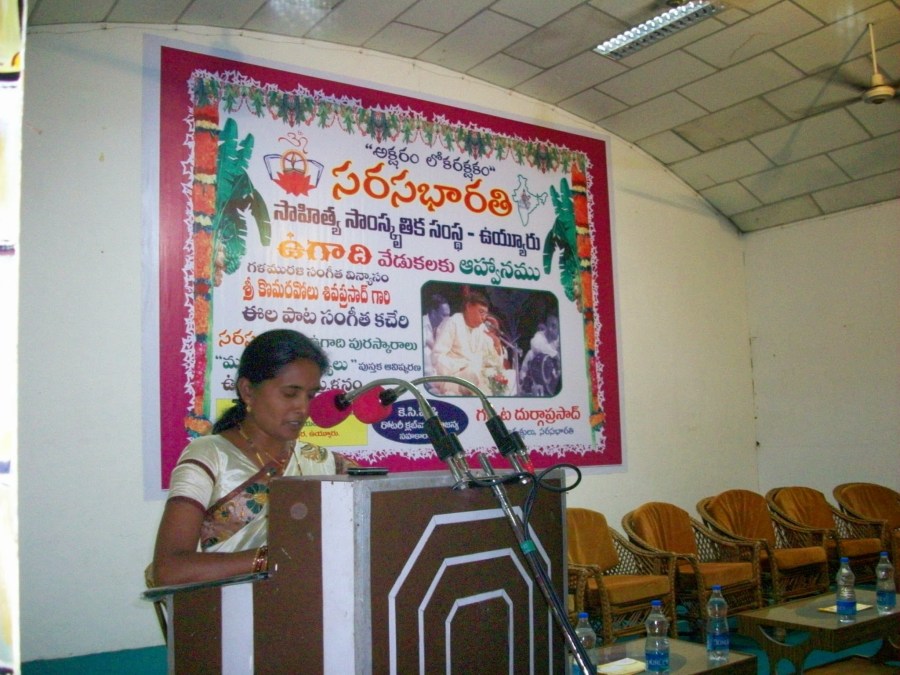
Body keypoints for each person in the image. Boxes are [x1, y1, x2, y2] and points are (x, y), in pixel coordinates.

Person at [149, 329, 355, 587]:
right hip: (235, 607)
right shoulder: (211, 455)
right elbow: (168, 570)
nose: (303, 408)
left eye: (310, 395)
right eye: (290, 394)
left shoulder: (321, 460)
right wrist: (273, 558)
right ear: (247, 391)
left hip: (312, 602)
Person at [431, 289, 507, 396]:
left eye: (485, 314)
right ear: (469, 307)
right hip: (455, 378)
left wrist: (497, 345)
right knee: (473, 373)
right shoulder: (453, 322)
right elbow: (437, 356)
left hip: (477, 375)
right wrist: (462, 365)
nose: (484, 318)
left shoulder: (481, 328)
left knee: (506, 376)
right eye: (481, 312)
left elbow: (491, 361)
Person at [519, 314, 561, 396]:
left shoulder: (560, 340)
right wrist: (555, 355)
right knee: (531, 353)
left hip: (555, 388)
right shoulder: (540, 336)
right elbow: (535, 344)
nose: (550, 329)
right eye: (550, 325)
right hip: (538, 386)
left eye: (555, 326)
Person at [422, 293, 450, 377]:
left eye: (448, 315)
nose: (448, 319)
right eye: (444, 315)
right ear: (433, 313)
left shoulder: (443, 327)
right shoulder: (421, 326)